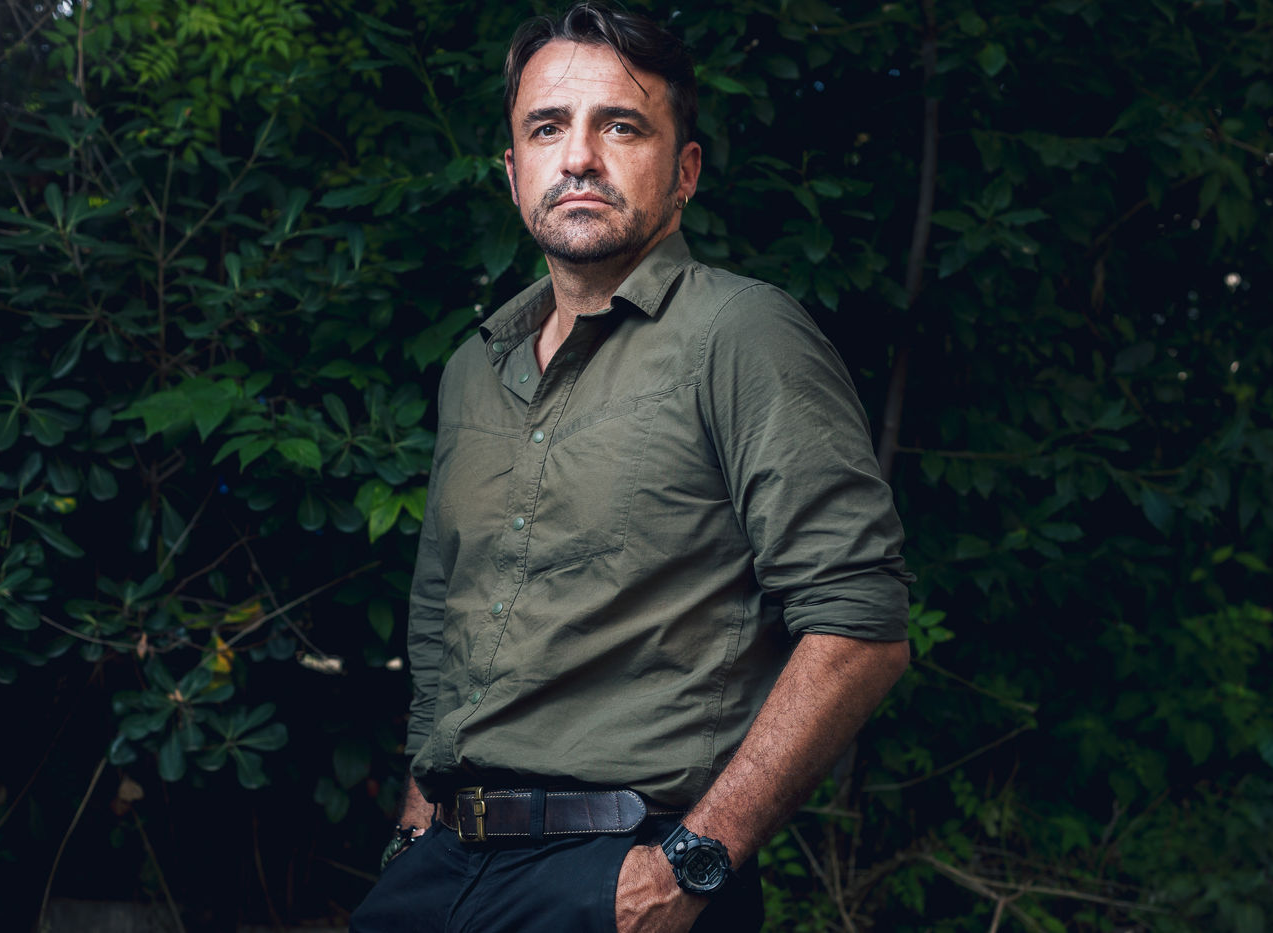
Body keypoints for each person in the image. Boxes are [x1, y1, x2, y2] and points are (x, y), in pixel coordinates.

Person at [350, 5, 914, 931]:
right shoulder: (472, 370)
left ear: (684, 170)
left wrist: (690, 865)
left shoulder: (742, 335)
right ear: (513, 171)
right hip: (439, 872)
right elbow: (444, 628)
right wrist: (415, 835)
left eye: (620, 125)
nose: (578, 156)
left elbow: (859, 628)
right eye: (547, 128)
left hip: (624, 875)